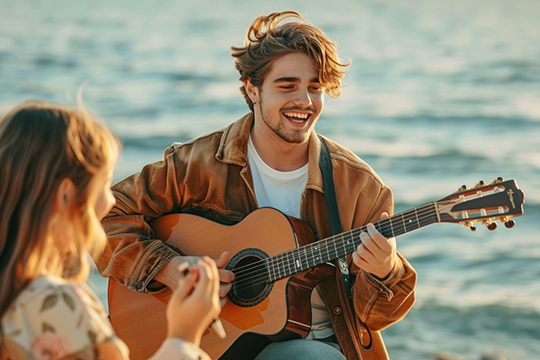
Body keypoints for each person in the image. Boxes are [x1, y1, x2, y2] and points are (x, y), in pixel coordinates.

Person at [98, 10, 417, 360]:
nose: (305, 102)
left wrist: (386, 273)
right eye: (287, 85)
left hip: (310, 346)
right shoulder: (197, 165)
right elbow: (103, 219)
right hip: (213, 343)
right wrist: (169, 269)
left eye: (315, 87)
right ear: (252, 88)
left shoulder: (358, 187)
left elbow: (375, 318)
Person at [0, 100, 221, 360]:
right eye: (105, 184)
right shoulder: (56, 301)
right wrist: (184, 335)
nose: (113, 200)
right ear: (66, 195)